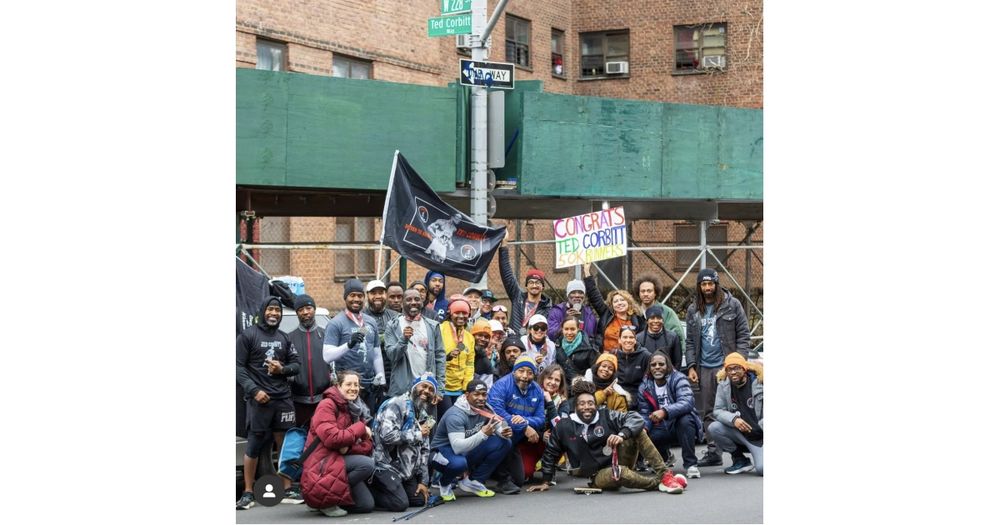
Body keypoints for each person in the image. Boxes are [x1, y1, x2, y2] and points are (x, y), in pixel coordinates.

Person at [525, 390, 687, 494]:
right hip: (598, 474)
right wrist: (546, 481)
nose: (587, 407)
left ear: (596, 406)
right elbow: (551, 452)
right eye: (582, 404)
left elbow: (636, 418)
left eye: (590, 403)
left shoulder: (606, 415)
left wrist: (622, 434)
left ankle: (665, 475)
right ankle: (658, 483)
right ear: (575, 407)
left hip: (618, 457)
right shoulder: (564, 426)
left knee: (638, 431)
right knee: (619, 473)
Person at [236, 296, 302, 510]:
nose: (274, 313)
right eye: (270, 309)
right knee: (254, 444)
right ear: (263, 311)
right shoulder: (248, 335)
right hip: (260, 400)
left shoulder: (284, 337)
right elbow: (238, 367)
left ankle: (287, 488)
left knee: (286, 444)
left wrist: (282, 369)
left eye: (277, 310)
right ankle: (248, 492)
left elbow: (296, 364)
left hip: (283, 399)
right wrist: (254, 390)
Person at [684, 268, 751, 468]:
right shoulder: (693, 309)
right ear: (699, 286)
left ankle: (741, 453)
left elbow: (744, 335)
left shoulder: (732, 304)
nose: (707, 288)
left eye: (710, 284)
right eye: (703, 284)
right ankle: (714, 452)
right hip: (705, 367)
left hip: (728, 367)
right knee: (708, 412)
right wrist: (691, 366)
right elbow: (690, 341)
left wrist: (738, 363)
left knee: (734, 409)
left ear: (716, 284)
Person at [300, 370, 376, 517]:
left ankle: (322, 498)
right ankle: (324, 499)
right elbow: (333, 439)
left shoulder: (355, 407)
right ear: (338, 386)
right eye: (348, 384)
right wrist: (360, 427)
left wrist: (348, 447)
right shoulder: (326, 405)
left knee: (366, 505)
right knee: (367, 464)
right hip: (322, 460)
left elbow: (367, 444)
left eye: (356, 385)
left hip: (340, 457)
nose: (353, 388)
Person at [429, 379, 513, 501]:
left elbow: (498, 425)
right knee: (459, 463)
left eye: (484, 394)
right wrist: (483, 434)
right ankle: (444, 482)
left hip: (465, 449)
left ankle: (473, 481)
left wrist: (504, 432)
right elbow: (458, 448)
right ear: (467, 395)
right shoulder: (455, 415)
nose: (481, 398)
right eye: (476, 394)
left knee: (503, 442)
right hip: (442, 452)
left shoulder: (485, 408)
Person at [369, 373, 439, 511]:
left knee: (419, 500)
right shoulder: (396, 404)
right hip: (385, 464)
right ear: (414, 386)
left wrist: (423, 482)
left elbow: (425, 450)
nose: (427, 391)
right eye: (424, 386)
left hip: (406, 470)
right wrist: (417, 434)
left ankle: (396, 488)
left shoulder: (424, 414)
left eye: (431, 390)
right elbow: (387, 436)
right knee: (400, 504)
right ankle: (370, 489)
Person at [323, 278, 386, 415]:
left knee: (368, 422)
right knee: (349, 423)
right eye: (352, 295)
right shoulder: (336, 323)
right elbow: (327, 356)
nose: (356, 299)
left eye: (359, 295)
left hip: (369, 385)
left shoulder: (370, 322)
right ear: (345, 297)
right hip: (347, 387)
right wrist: (348, 345)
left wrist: (381, 378)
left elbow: (376, 353)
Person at [637, 352, 703, 480]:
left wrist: (665, 412)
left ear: (668, 366)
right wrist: (644, 428)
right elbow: (645, 412)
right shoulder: (644, 386)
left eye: (661, 364)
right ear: (649, 368)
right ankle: (663, 458)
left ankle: (691, 464)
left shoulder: (678, 378)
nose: (657, 367)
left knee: (686, 420)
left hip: (677, 424)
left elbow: (687, 402)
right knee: (643, 431)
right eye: (653, 365)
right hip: (660, 426)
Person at [488, 356, 547, 494]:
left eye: (530, 372)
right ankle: (495, 476)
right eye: (521, 371)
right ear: (514, 371)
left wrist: (524, 421)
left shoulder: (537, 390)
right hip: (496, 434)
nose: (525, 376)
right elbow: (496, 412)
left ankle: (495, 471)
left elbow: (540, 419)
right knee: (503, 436)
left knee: (518, 480)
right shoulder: (501, 385)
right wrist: (524, 427)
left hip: (515, 440)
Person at [708, 352, 763, 476]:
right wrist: (733, 419)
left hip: (761, 436)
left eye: (737, 368)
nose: (733, 372)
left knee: (762, 469)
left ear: (744, 368)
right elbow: (718, 410)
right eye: (729, 369)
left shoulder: (760, 382)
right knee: (714, 428)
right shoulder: (723, 385)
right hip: (742, 435)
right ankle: (740, 460)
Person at [384, 289, 445, 398]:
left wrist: (439, 389)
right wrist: (403, 339)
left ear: (422, 302)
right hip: (402, 390)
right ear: (402, 303)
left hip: (427, 389)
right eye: (409, 299)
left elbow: (440, 357)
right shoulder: (393, 325)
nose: (413, 302)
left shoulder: (433, 326)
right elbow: (392, 355)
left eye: (417, 299)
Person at [285, 294, 330, 429]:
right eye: (300, 309)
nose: (305, 312)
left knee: (321, 436)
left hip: (323, 400)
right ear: (297, 313)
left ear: (314, 309)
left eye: (308, 308)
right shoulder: (289, 338)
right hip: (297, 401)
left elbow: (335, 363)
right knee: (300, 436)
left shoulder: (327, 335)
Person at [582, 262, 645, 352]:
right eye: (615, 301)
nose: (619, 303)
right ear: (612, 305)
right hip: (606, 356)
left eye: (622, 300)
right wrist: (587, 271)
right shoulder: (606, 315)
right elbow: (594, 295)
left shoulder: (638, 319)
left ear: (629, 303)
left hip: (628, 356)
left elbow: (642, 340)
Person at [498, 234, 553, 335]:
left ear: (543, 287)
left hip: (534, 343)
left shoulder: (548, 308)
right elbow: (507, 274)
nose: (534, 285)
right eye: (531, 282)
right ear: (526, 286)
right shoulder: (517, 297)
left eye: (538, 283)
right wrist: (504, 245)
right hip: (515, 343)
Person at [365, 279, 400, 407]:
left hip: (394, 372)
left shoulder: (396, 316)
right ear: (367, 295)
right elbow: (364, 339)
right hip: (371, 375)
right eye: (373, 293)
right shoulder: (361, 317)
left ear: (386, 295)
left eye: (381, 293)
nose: (378, 296)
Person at [633, 273, 686, 354]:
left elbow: (678, 337)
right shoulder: (635, 313)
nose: (646, 294)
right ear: (638, 293)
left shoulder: (667, 312)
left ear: (655, 293)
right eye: (642, 291)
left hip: (663, 357)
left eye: (649, 291)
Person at [438, 299, 476, 412]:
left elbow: (470, 364)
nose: (461, 316)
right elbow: (434, 357)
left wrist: (466, 388)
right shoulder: (440, 330)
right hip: (443, 387)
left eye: (464, 313)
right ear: (450, 313)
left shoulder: (469, 337)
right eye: (457, 313)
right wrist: (448, 356)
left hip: (460, 390)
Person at [612, 325, 653, 408]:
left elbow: (649, 381)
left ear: (635, 340)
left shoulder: (646, 356)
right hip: (617, 393)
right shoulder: (613, 355)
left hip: (639, 395)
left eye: (631, 337)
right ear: (619, 340)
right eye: (625, 337)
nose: (628, 340)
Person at [546, 279, 598, 343]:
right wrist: (566, 320)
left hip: (584, 348)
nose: (577, 295)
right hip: (562, 348)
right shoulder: (557, 311)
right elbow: (551, 334)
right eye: (573, 292)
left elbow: (594, 336)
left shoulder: (589, 314)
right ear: (568, 295)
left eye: (580, 292)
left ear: (584, 296)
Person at [636, 305, 682, 371]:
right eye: (652, 318)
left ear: (663, 320)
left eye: (659, 318)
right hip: (646, 376)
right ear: (647, 321)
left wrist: (672, 376)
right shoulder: (638, 338)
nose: (656, 321)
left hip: (668, 375)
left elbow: (677, 361)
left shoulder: (673, 337)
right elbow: (638, 363)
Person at [554, 316, 599, 383]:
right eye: (566, 329)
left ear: (578, 329)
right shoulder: (557, 344)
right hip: (560, 385)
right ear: (562, 329)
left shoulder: (589, 347)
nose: (569, 333)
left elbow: (595, 371)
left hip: (580, 385)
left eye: (572, 329)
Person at [471, 319, 496, 388]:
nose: (483, 339)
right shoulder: (463, 352)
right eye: (480, 335)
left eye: (486, 337)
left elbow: (487, 387)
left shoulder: (485, 362)